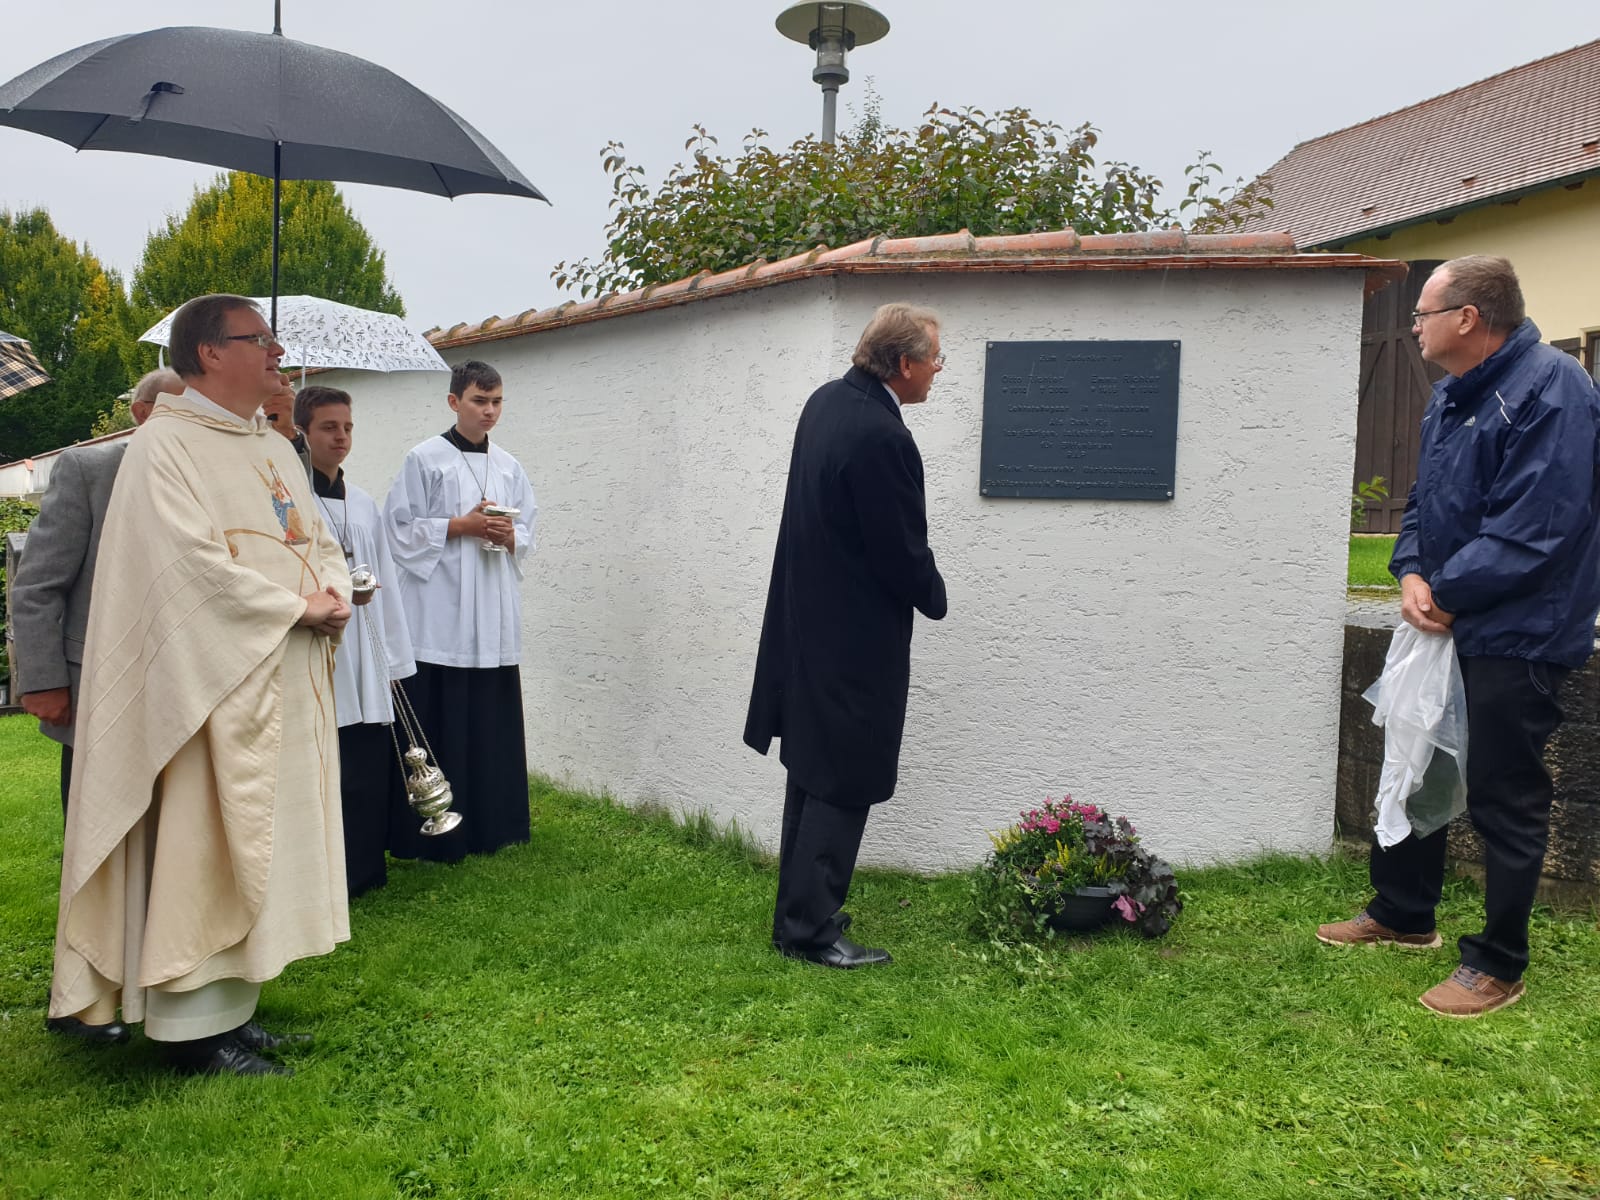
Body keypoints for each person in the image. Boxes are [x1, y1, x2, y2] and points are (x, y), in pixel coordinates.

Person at [48, 294, 353, 1076]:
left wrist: (333, 589)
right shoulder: (165, 448)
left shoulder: (272, 447)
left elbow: (316, 537)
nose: (278, 353)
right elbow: (186, 570)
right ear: (210, 353)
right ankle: (190, 1027)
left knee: (262, 841)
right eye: (262, 340)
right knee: (202, 844)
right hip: (207, 686)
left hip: (278, 675)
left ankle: (235, 1011)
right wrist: (296, 605)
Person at [1318, 256, 1600, 1017]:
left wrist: (1446, 590)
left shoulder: (1554, 390)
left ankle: (1500, 964)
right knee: (1415, 759)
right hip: (1443, 619)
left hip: (1520, 631)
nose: (1412, 327)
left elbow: (1538, 526)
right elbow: (1423, 504)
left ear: (1469, 318)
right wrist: (1410, 571)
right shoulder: (1451, 398)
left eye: (1423, 314)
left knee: (1506, 791)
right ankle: (1404, 912)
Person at [745, 303, 949, 969]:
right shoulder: (882, 436)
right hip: (854, 636)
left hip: (810, 622)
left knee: (812, 770)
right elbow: (899, 550)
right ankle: (810, 930)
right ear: (904, 362)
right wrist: (934, 593)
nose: (938, 374)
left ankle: (798, 916)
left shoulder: (827, 403)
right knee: (843, 776)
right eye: (935, 361)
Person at [382, 360, 536, 863]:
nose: (489, 411)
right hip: (440, 610)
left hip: (490, 609)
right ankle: (433, 829)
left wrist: (511, 535)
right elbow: (398, 529)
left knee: (490, 720)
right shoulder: (424, 459)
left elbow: (528, 529)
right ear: (454, 402)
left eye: (496, 402)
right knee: (441, 717)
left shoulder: (510, 465)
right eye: (478, 400)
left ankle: (496, 824)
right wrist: (460, 526)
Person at [11, 368, 179, 825]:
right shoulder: (90, 471)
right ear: (141, 413)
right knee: (98, 836)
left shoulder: (211, 477)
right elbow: (37, 586)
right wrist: (44, 680)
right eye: (176, 409)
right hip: (99, 689)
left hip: (182, 688)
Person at [297, 384, 417, 898]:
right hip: (318, 645)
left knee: (365, 760)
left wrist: (392, 659)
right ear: (302, 432)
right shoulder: (289, 502)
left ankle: (363, 867)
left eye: (347, 427)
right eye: (328, 427)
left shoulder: (364, 503)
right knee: (322, 760)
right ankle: (318, 875)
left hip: (364, 648)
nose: (341, 437)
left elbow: (385, 577)